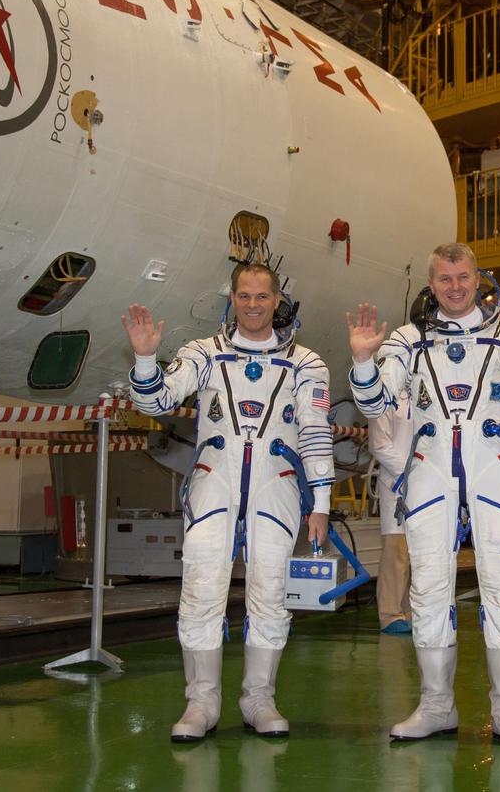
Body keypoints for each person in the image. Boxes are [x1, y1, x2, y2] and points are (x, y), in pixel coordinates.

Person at [347, 243, 500, 748]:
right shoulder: (407, 339)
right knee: (427, 591)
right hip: (431, 471)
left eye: (462, 276)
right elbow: (377, 401)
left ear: (477, 277)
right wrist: (362, 363)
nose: (455, 287)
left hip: (499, 471)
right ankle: (436, 705)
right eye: (444, 279)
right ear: (432, 284)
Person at [123, 263, 334, 742]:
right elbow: (156, 403)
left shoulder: (307, 363)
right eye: (244, 296)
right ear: (232, 298)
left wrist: (319, 501)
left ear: (278, 299)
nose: (253, 305)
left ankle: (259, 698)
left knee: (270, 591)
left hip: (275, 484)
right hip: (214, 482)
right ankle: (202, 701)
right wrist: (144, 361)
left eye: (262, 296)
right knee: (200, 586)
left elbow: (316, 434)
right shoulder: (204, 353)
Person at [369, 400, 415, 634]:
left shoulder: (422, 391)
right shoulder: (384, 398)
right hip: (398, 483)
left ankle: (410, 610)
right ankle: (390, 614)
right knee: (396, 550)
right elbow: (379, 445)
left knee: (418, 552)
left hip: (428, 483)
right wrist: (411, 473)